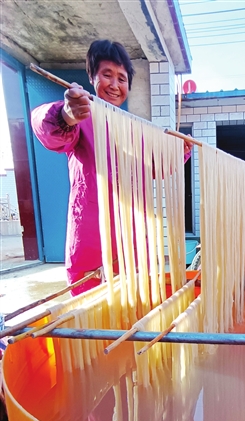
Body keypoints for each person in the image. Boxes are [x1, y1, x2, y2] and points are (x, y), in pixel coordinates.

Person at [32, 40, 192, 296]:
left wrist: (178, 152)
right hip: (91, 237)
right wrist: (66, 115)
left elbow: (152, 170)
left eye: (122, 78)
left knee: (136, 303)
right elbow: (47, 129)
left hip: (134, 238)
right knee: (90, 307)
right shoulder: (81, 118)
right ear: (92, 77)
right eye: (107, 75)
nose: (115, 85)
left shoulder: (136, 130)